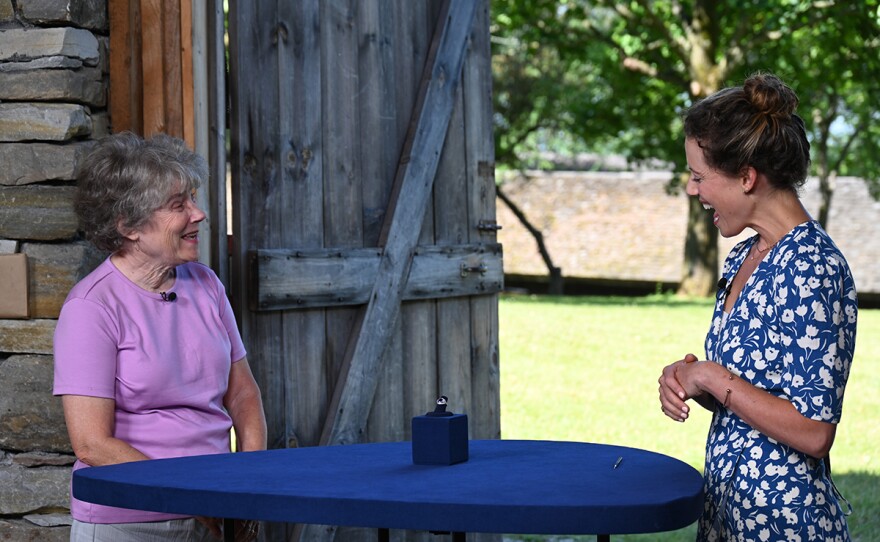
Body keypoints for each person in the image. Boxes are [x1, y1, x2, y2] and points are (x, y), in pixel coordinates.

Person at [658, 73, 858, 541]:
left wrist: (713, 376)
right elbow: (756, 392)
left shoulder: (814, 267)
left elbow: (813, 431)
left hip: (784, 527)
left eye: (699, 176)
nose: (692, 190)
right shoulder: (743, 256)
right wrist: (693, 380)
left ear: (747, 177)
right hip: (729, 517)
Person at [53, 132, 268, 541]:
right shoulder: (91, 307)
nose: (199, 213)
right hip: (129, 518)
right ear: (129, 226)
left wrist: (246, 488)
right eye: (178, 205)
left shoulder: (206, 284)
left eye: (192, 198)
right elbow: (92, 444)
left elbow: (243, 396)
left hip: (215, 505)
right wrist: (191, 497)